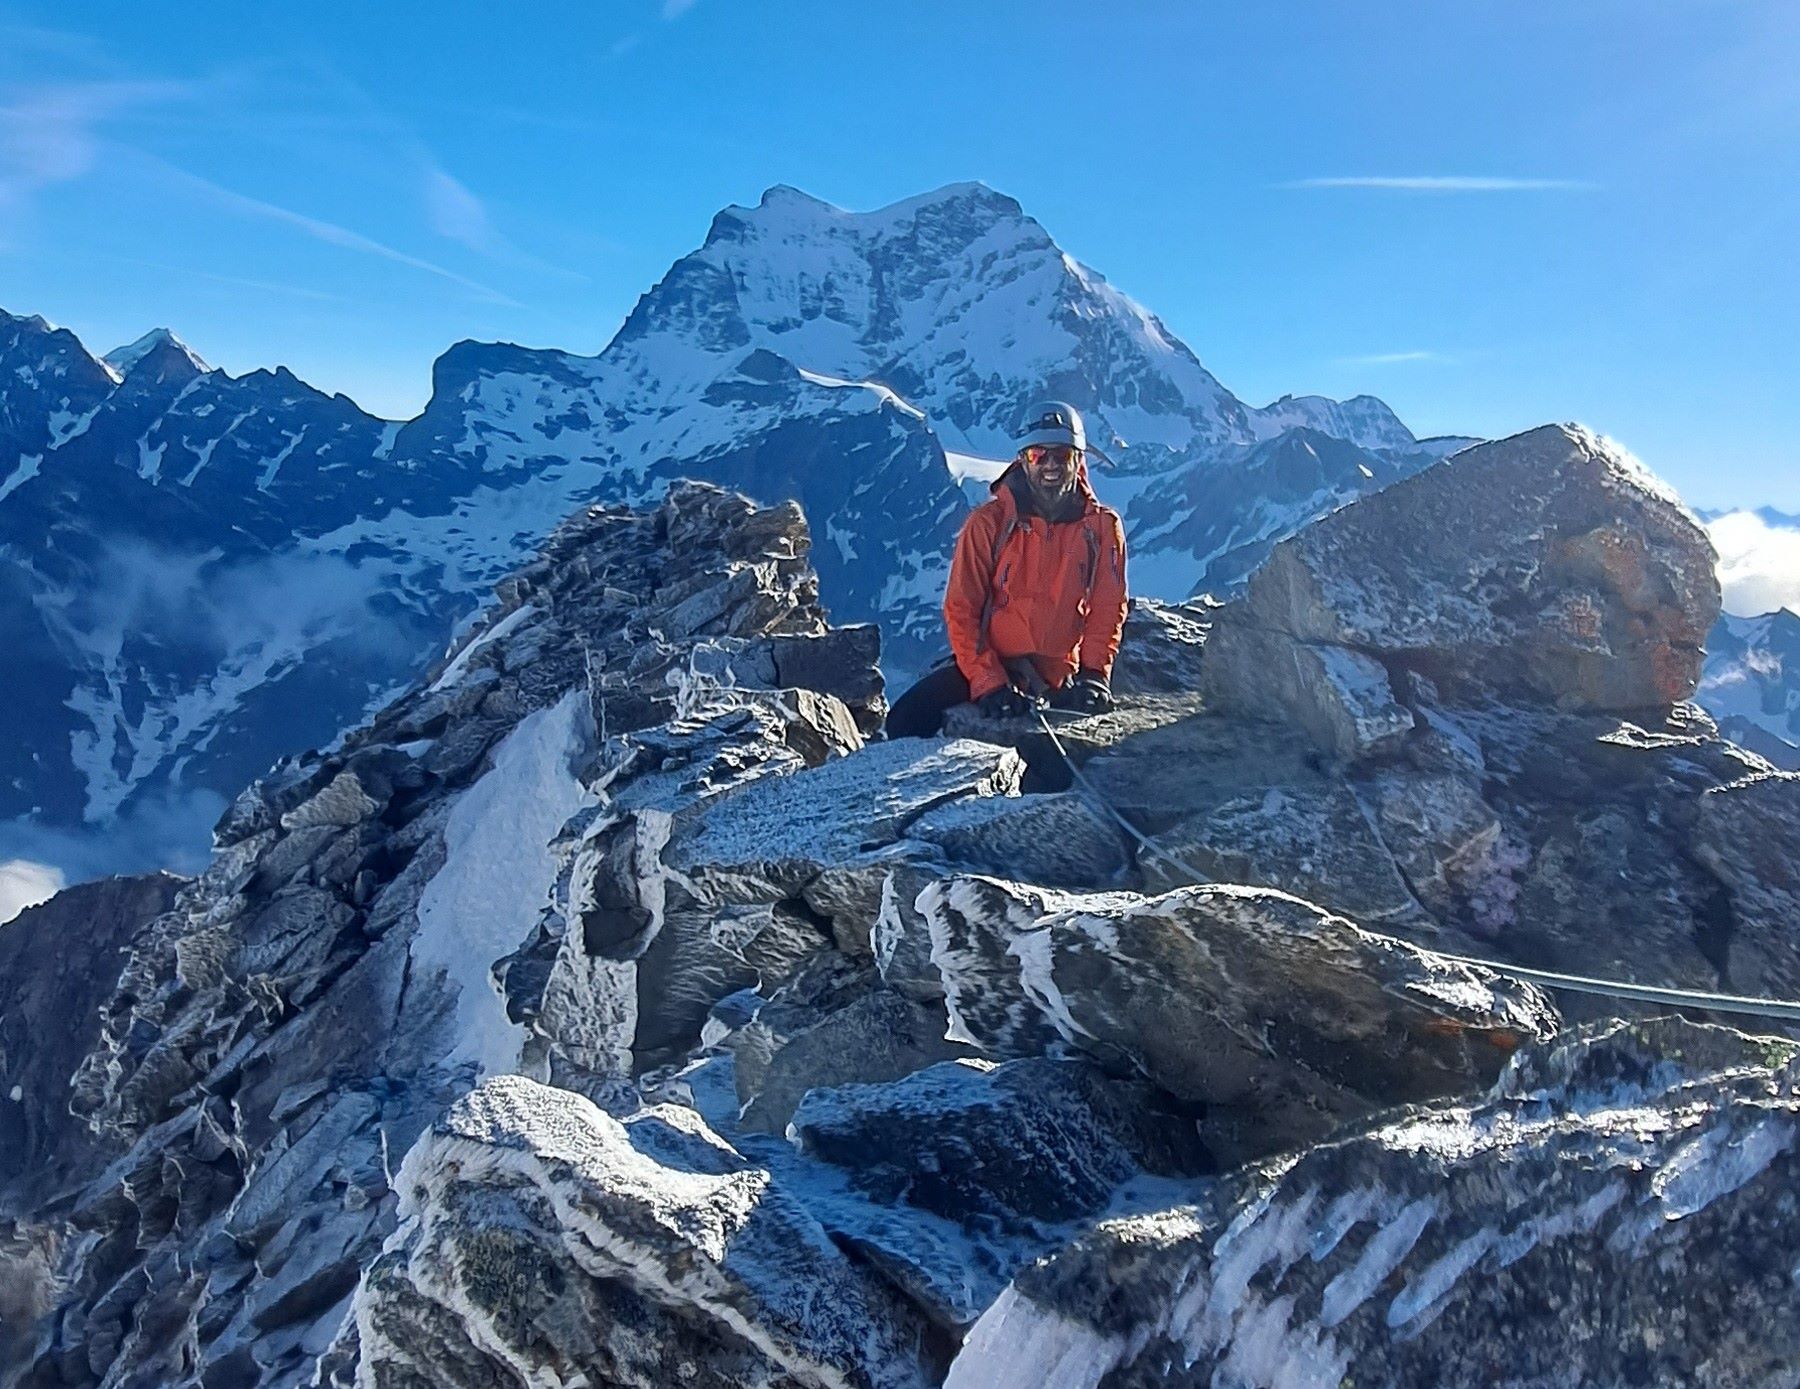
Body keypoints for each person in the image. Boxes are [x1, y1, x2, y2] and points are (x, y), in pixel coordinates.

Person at [887, 400, 1128, 738]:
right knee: (905, 720)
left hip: (1060, 677)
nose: (1050, 465)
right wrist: (988, 681)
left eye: (1063, 455)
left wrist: (1094, 676)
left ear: (1080, 460)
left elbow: (1107, 606)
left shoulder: (1101, 528)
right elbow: (962, 607)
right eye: (1037, 455)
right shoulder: (989, 524)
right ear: (1021, 459)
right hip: (994, 665)